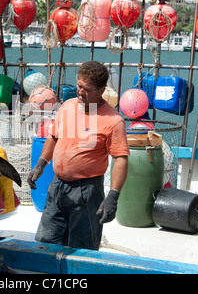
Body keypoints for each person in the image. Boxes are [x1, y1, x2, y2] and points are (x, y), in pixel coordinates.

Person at [27, 61, 129, 250]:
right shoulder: (67, 106)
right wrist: (40, 164)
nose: (80, 92)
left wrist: (113, 197)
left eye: (87, 89)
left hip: (87, 192)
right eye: (79, 86)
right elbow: (53, 137)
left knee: (82, 250)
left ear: (101, 90)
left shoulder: (114, 121)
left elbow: (120, 159)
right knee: (44, 246)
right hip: (57, 186)